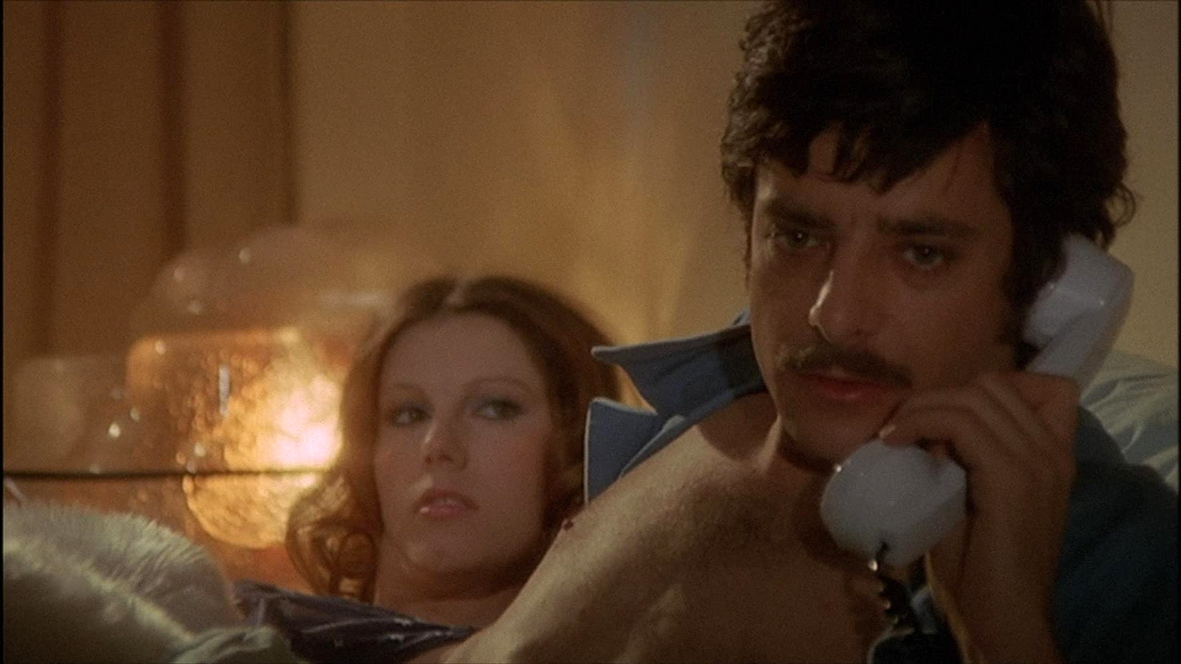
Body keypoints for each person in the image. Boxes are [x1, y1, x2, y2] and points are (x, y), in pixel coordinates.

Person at [442, 2, 1178, 663]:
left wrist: (1005, 636)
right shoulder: (718, 387)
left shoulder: (1121, 556)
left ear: (1048, 282)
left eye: (921, 254)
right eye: (798, 236)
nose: (832, 312)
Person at [234, 275, 622, 663]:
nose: (437, 447)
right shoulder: (252, 639)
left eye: (495, 408)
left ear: (578, 439)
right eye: (409, 414)